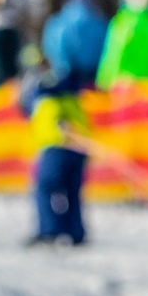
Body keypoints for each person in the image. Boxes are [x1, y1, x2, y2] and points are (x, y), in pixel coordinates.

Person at [19, 60, 92, 246]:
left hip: (55, 145)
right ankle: (75, 232)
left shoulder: (43, 91)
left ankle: (49, 230)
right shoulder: (69, 88)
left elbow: (28, 106)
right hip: (78, 146)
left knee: (45, 188)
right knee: (72, 190)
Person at [42, 0, 110, 88]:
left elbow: (52, 47)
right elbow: (108, 47)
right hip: (94, 75)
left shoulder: (58, 22)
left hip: (66, 75)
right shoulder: (100, 22)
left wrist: (63, 66)